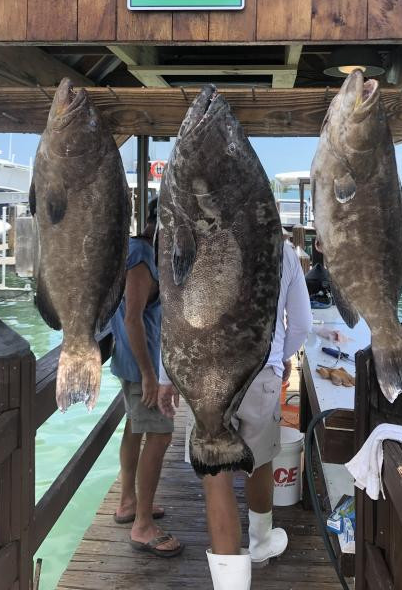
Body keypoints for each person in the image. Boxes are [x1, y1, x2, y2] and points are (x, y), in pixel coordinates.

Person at [159, 232, 312, 587]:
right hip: (261, 374)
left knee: (216, 475)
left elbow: (173, 313)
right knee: (260, 461)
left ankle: (230, 583)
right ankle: (260, 542)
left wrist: (168, 375)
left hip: (203, 375)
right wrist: (279, 358)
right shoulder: (283, 250)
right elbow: (301, 324)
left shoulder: (196, 241)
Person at [108, 197, 182, 558]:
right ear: (159, 222)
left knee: (135, 429)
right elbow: (131, 318)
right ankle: (141, 526)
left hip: (135, 362)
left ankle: (128, 502)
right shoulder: (140, 254)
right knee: (160, 436)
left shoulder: (147, 251)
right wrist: (152, 376)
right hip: (142, 367)